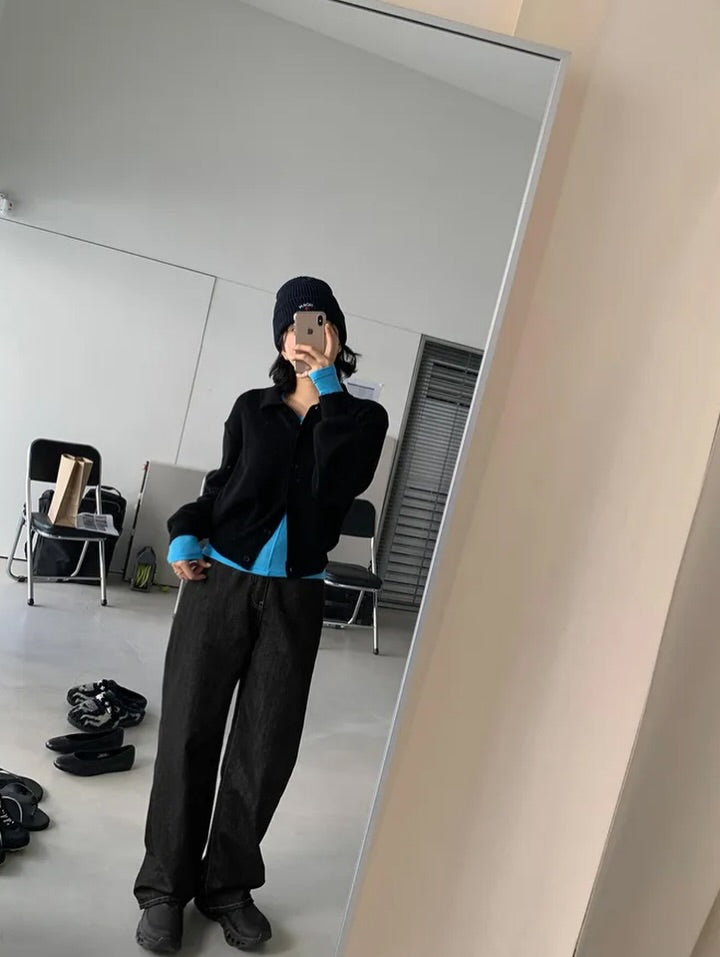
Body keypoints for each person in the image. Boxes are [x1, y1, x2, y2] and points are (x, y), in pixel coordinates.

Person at [134, 277, 389, 953]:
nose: (304, 335)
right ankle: (164, 888)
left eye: (318, 322)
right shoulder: (252, 409)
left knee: (265, 745)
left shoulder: (362, 420)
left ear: (335, 332)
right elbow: (221, 487)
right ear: (280, 340)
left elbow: (344, 480)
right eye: (292, 326)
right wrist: (186, 533)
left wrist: (327, 384)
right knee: (188, 731)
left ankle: (227, 885)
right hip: (219, 585)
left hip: (295, 597)